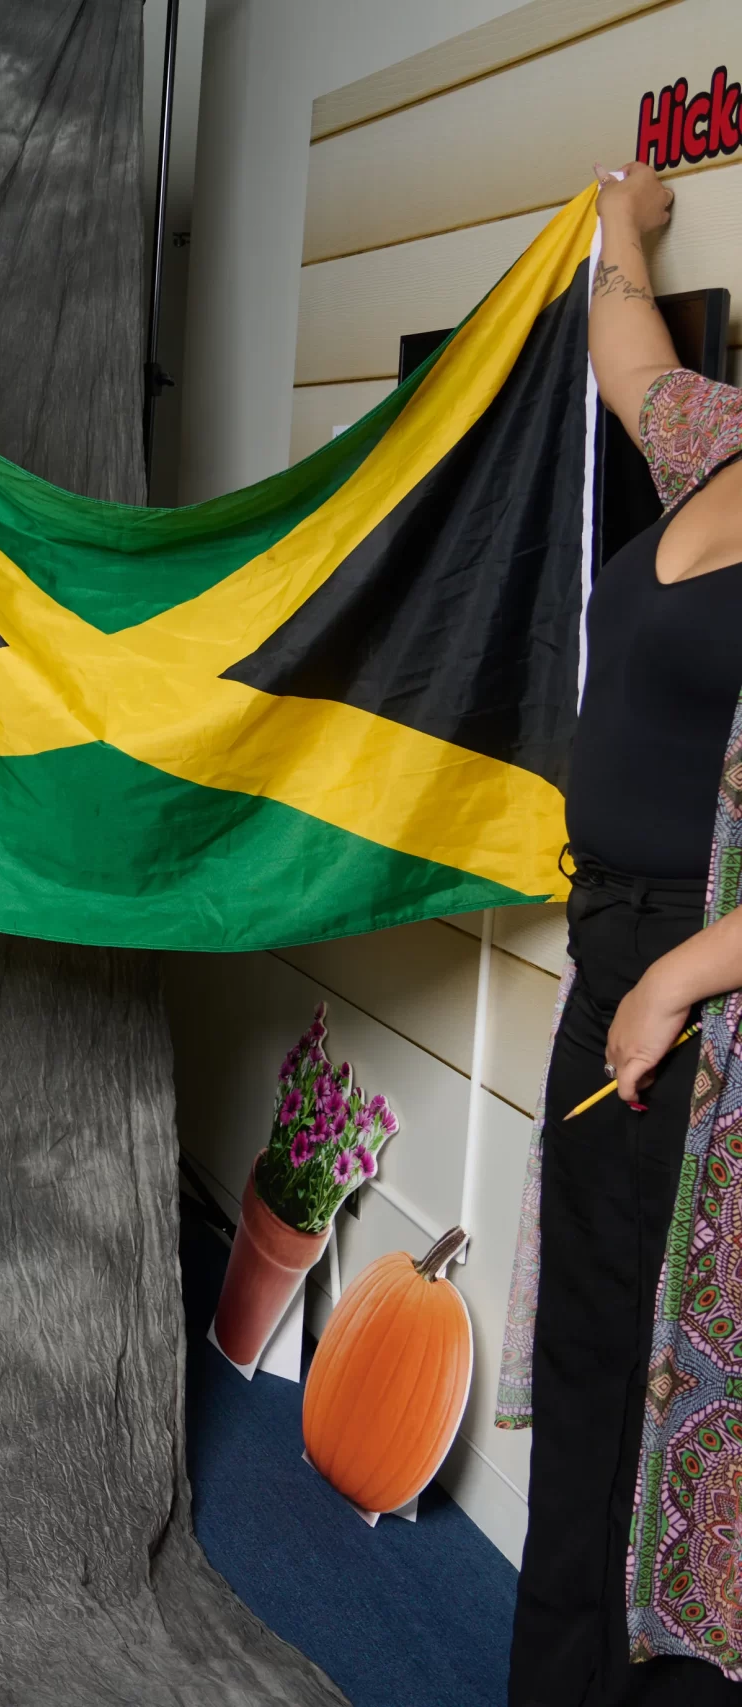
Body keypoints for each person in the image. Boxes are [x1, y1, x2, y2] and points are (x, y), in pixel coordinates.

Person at [510, 160, 742, 1705]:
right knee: (593, 1371)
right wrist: (620, 225)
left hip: (705, 1018)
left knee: (674, 1414)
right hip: (617, 967)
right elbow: (634, 354)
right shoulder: (717, 447)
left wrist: (676, 977)